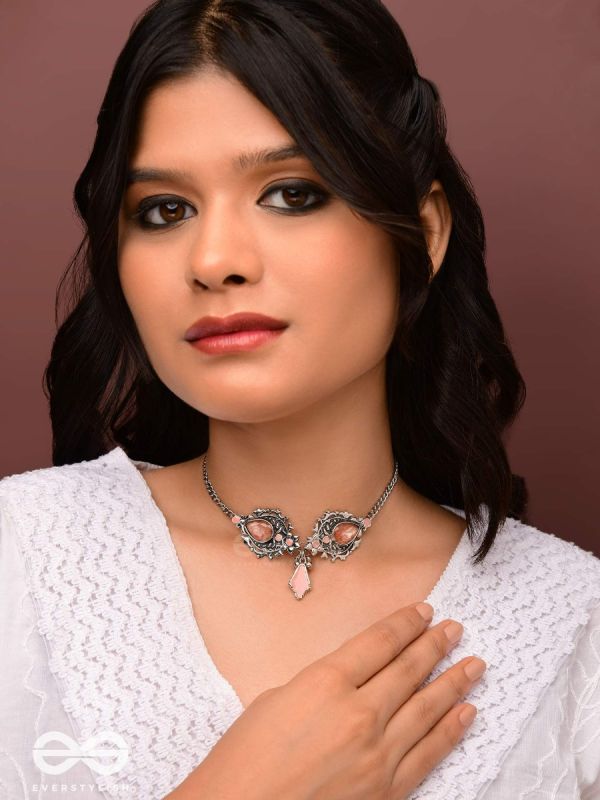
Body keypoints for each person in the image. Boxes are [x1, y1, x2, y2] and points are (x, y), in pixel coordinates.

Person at [1, 0, 598, 798]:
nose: (214, 260)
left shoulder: (574, 628)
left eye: (290, 194)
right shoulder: (20, 557)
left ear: (422, 233)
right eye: (165, 210)